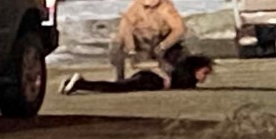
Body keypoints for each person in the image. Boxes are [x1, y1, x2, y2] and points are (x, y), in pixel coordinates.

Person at [110, 0, 186, 81]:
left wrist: (164, 45)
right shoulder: (137, 5)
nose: (141, 0)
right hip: (141, 40)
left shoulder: (166, 8)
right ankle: (120, 77)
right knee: (116, 42)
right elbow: (126, 25)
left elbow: (179, 29)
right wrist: (131, 48)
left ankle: (173, 77)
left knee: (176, 56)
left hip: (160, 40)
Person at [59, 55, 214, 95]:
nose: (204, 77)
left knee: (117, 86)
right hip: (150, 81)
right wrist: (165, 78)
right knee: (117, 87)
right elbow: (159, 66)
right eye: (204, 73)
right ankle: (80, 83)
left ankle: (76, 84)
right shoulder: (184, 77)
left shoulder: (185, 77)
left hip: (149, 79)